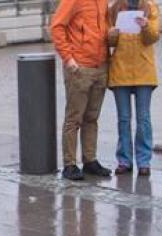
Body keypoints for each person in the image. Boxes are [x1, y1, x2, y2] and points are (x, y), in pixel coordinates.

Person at [50, 0, 114, 181]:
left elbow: (103, 27)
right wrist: (69, 59)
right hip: (79, 67)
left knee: (92, 118)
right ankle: (69, 164)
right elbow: (57, 27)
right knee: (74, 118)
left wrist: (111, 35)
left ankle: (90, 160)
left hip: (100, 66)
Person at [108, 0, 161, 176]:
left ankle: (144, 161)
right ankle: (124, 160)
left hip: (144, 70)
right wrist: (112, 35)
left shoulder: (150, 6)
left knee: (143, 119)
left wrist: (146, 26)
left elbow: (153, 37)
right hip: (120, 69)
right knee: (123, 119)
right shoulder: (115, 8)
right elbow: (107, 40)